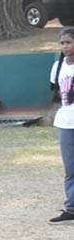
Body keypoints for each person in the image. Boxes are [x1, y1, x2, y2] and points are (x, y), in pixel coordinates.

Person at [48, 27, 74, 224]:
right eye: (63, 43)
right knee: (70, 167)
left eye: (69, 42)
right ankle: (71, 209)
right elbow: (56, 92)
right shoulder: (58, 66)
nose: (65, 46)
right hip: (66, 121)